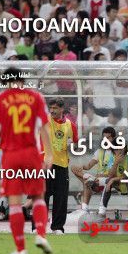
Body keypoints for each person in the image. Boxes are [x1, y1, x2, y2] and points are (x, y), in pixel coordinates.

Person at [0, 67, 53, 254]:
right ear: (22, 81)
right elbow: (44, 127)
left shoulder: (0, 100)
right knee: (38, 196)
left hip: (10, 155)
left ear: (6, 82)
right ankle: (41, 235)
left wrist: (6, 131)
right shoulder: (36, 97)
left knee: (15, 202)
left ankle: (20, 249)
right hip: (31, 153)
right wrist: (48, 154)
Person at [44, 98, 79, 234]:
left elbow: (75, 142)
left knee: (60, 198)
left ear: (62, 109)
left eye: (55, 108)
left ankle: (57, 227)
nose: (52, 110)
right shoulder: (44, 120)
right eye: (50, 107)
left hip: (62, 164)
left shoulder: (71, 125)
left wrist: (72, 145)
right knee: (42, 197)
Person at [71, 127, 117, 213]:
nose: (106, 140)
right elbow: (88, 166)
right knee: (73, 167)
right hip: (97, 180)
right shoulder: (99, 151)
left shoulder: (117, 152)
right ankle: (89, 179)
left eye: (108, 138)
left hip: (108, 180)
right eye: (104, 138)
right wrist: (82, 167)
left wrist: (99, 176)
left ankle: (84, 209)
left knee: (87, 182)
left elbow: (114, 174)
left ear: (114, 138)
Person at [98, 145, 128, 221]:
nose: (119, 150)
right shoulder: (112, 157)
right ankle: (101, 212)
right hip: (120, 184)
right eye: (116, 148)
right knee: (107, 181)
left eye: (121, 147)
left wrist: (113, 179)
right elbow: (110, 175)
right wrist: (116, 163)